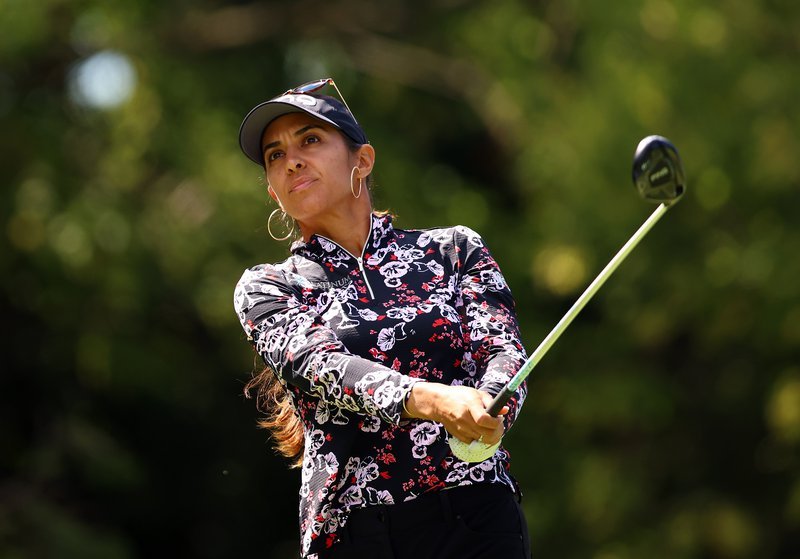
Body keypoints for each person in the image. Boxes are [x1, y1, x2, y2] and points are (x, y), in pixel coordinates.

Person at [233, 78, 530, 559]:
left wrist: (492, 407)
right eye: (275, 155)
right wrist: (434, 400)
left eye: (310, 140)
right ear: (274, 191)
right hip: (355, 533)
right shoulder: (267, 287)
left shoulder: (455, 249)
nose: (292, 161)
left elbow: (503, 351)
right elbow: (322, 367)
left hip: (475, 514)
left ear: (363, 160)